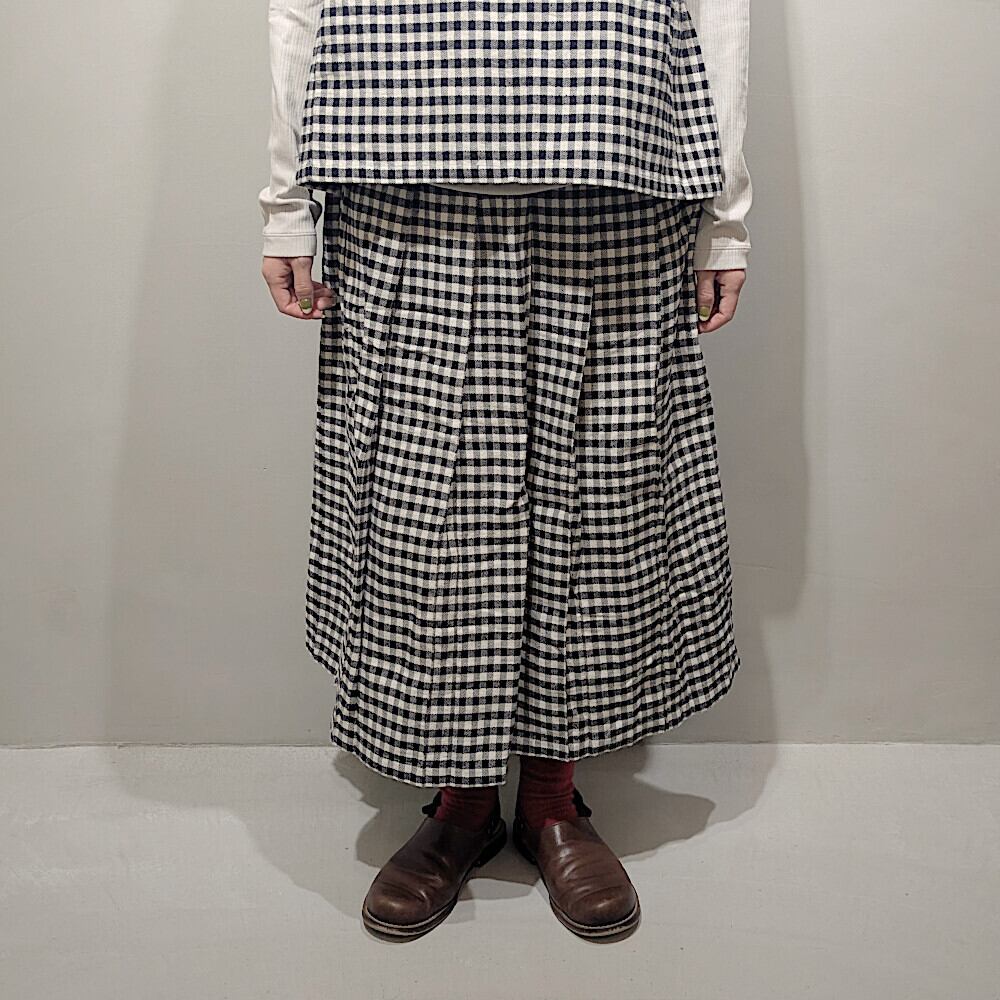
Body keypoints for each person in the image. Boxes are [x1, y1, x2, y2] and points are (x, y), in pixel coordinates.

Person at [259, 0, 752, 941]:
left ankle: (552, 798)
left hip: (612, 144)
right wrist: (286, 203)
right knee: (424, 499)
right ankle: (465, 798)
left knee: (599, 491)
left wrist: (724, 217)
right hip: (399, 145)